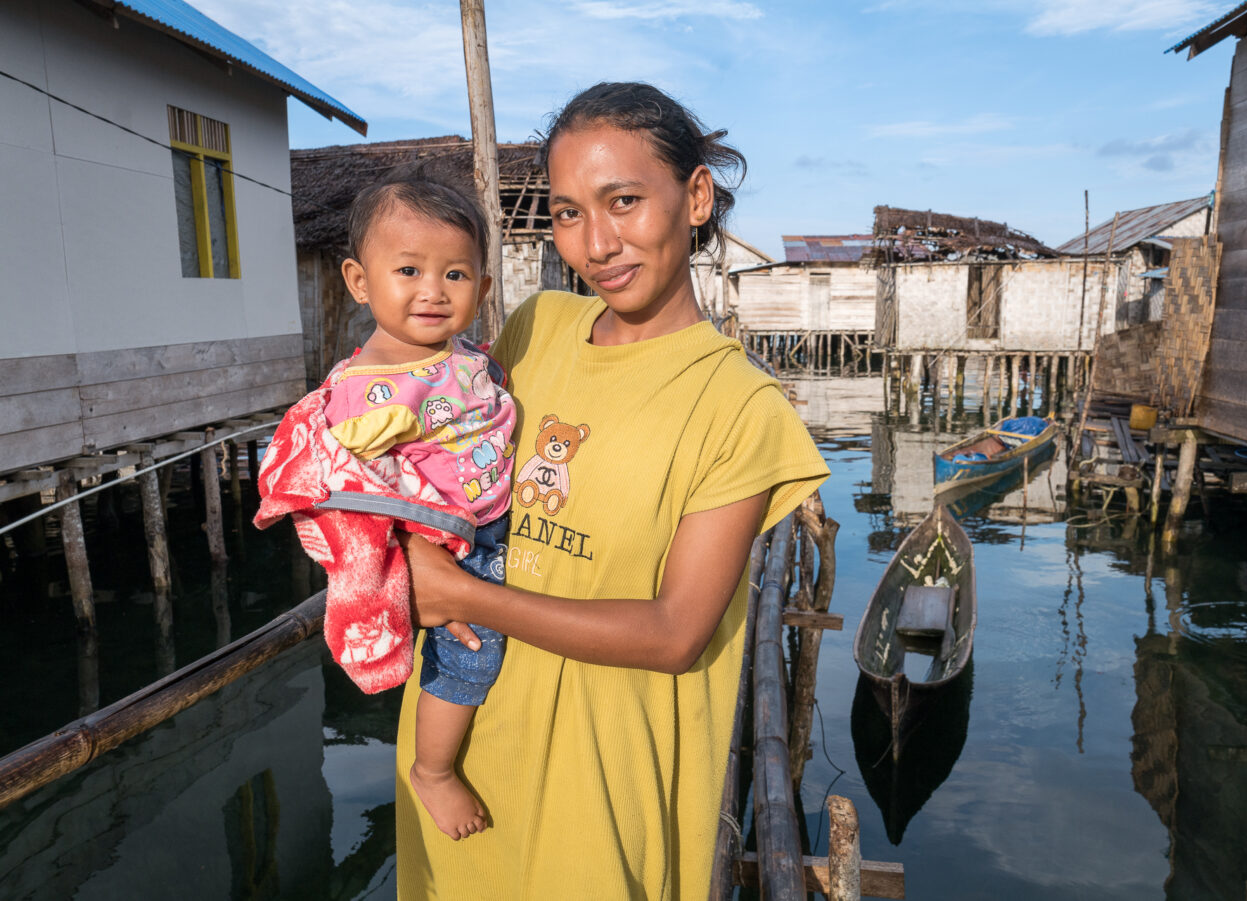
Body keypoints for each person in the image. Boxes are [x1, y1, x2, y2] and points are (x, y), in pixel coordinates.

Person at [394, 82, 830, 898]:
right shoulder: (537, 328)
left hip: (600, 793)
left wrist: (461, 595)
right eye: (567, 213)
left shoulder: (741, 408)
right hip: (459, 749)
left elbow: (674, 633)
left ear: (695, 196)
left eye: (623, 201)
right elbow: (438, 455)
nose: (596, 244)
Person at [256, 178, 515, 841]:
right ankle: (434, 769)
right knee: (470, 656)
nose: (432, 289)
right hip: (454, 543)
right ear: (359, 280)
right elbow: (351, 494)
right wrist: (408, 563)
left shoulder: (449, 353)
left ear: (482, 290)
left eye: (454, 273)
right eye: (408, 270)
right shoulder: (369, 393)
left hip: (488, 514)